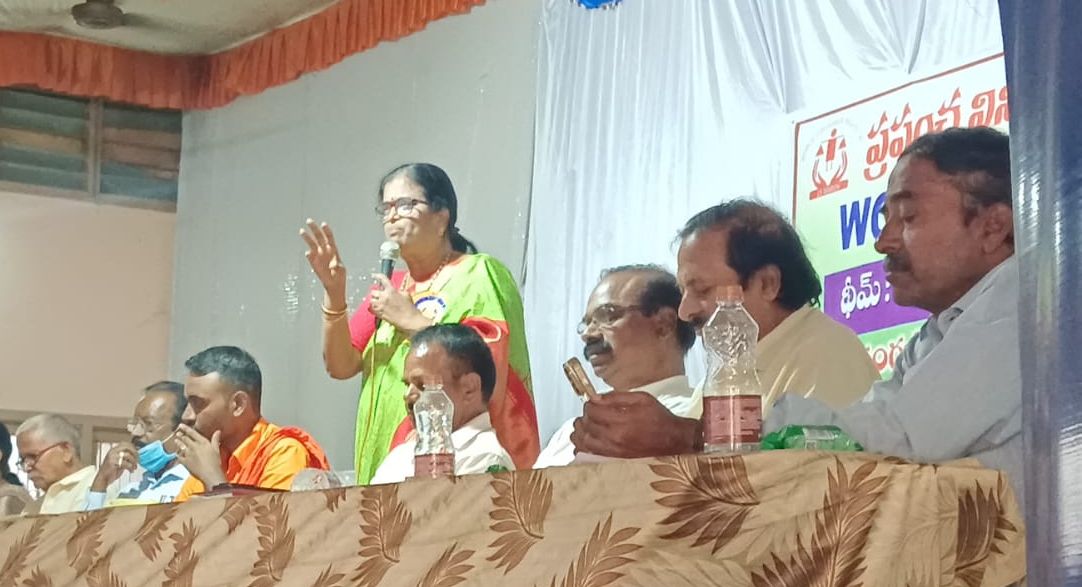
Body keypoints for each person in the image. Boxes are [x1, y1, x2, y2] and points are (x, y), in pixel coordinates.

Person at [767, 127, 1021, 498]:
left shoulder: (1021, 306)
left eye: (908, 217)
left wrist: (737, 429)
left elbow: (897, 442)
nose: (883, 241)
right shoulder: (938, 331)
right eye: (886, 219)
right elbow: (869, 423)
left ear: (992, 228)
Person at [571, 200, 878, 458]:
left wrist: (677, 438)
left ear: (767, 284)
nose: (685, 312)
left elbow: (813, 480)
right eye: (683, 292)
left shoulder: (827, 354)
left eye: (702, 290)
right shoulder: (731, 366)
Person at [302, 162, 538, 483]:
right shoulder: (391, 285)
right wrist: (334, 292)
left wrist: (411, 320)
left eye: (406, 204)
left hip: (462, 458)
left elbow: (487, 365)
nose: (392, 216)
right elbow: (340, 366)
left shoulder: (477, 273)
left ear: (442, 218)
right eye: (386, 208)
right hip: (392, 453)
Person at [535, 266, 695, 467]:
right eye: (587, 323)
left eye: (607, 316)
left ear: (664, 324)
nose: (588, 334)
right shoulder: (569, 432)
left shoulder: (700, 420)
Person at [167, 346, 329, 499]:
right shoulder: (212, 455)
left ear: (238, 405)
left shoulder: (284, 452)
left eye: (198, 403)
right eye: (187, 403)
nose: (186, 416)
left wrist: (213, 479)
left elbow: (273, 518)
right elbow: (179, 518)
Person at [372, 323, 514, 483]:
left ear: (470, 388)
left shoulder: (487, 459)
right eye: (407, 385)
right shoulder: (399, 457)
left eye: (422, 384)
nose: (408, 395)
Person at [85, 381, 191, 509]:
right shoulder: (130, 492)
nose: (135, 432)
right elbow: (88, 522)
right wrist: (101, 481)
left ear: (181, 430)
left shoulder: (192, 487)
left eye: (148, 424)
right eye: (136, 423)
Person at [15, 414, 97, 515]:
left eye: (33, 456)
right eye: (23, 460)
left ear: (66, 451)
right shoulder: (32, 509)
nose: (26, 468)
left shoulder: (100, 489)